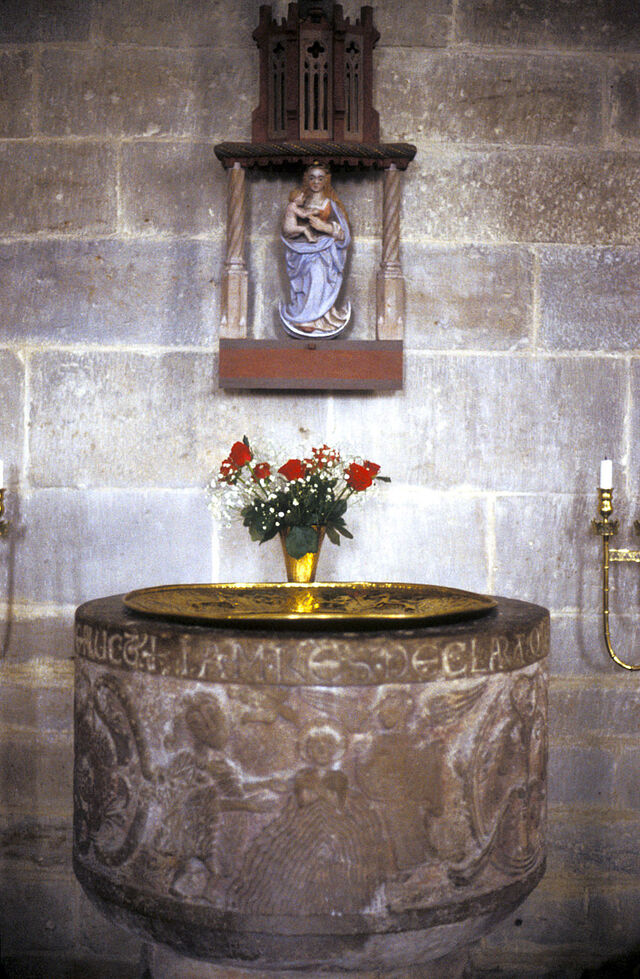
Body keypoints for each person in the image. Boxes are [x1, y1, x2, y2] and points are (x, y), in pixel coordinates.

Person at [280, 163, 351, 337]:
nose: (316, 182)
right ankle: (305, 317)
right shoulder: (298, 204)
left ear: (326, 181)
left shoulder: (331, 205)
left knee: (317, 275)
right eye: (312, 178)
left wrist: (325, 227)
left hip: (324, 254)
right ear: (306, 180)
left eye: (320, 178)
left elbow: (344, 236)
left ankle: (316, 319)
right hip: (300, 253)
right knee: (306, 283)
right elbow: (287, 231)